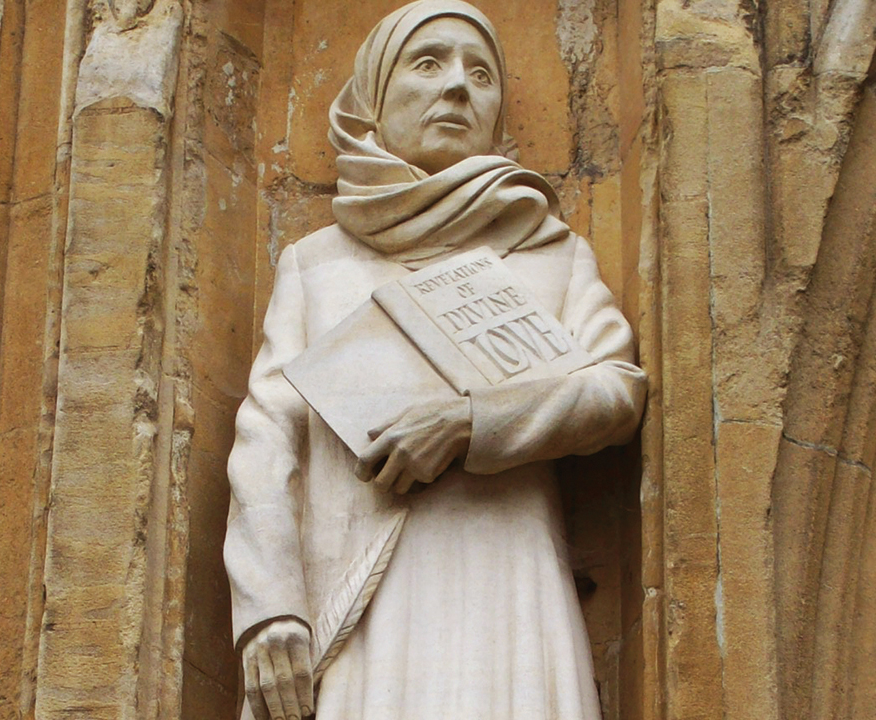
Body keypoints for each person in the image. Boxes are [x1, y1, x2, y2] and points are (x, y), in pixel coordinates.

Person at [223, 2, 647, 718]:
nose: (457, 87)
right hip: (367, 591)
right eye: (429, 63)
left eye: (480, 74)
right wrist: (269, 606)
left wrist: (471, 424)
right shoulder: (316, 265)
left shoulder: (550, 254)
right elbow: (267, 437)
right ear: (374, 97)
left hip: (508, 580)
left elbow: (614, 393)